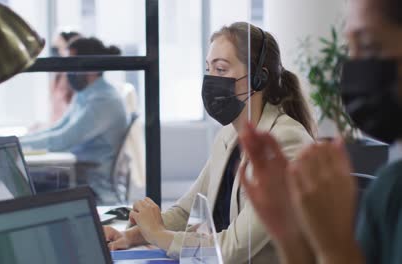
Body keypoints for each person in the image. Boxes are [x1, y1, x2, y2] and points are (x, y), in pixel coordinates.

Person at [104, 22, 315, 263]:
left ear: (259, 79)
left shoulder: (286, 143)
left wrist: (157, 234)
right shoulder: (229, 136)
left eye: (221, 70)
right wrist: (132, 235)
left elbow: (232, 248)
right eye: (208, 69)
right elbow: (185, 211)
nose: (211, 80)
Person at [238, 0, 402, 263]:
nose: (353, 68)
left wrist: (333, 244)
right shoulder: (390, 188)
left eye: (370, 46)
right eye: (350, 50)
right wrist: (289, 232)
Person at [20, 37, 129, 204]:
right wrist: (17, 141)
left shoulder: (104, 101)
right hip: (75, 176)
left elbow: (63, 140)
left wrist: (17, 145)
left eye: (72, 64)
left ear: (91, 69)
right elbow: (57, 129)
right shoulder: (86, 94)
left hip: (92, 185)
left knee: (21, 184)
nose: (67, 71)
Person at [49, 31, 81, 123]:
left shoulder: (76, 80)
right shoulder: (57, 76)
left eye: (61, 48)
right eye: (55, 49)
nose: (58, 53)